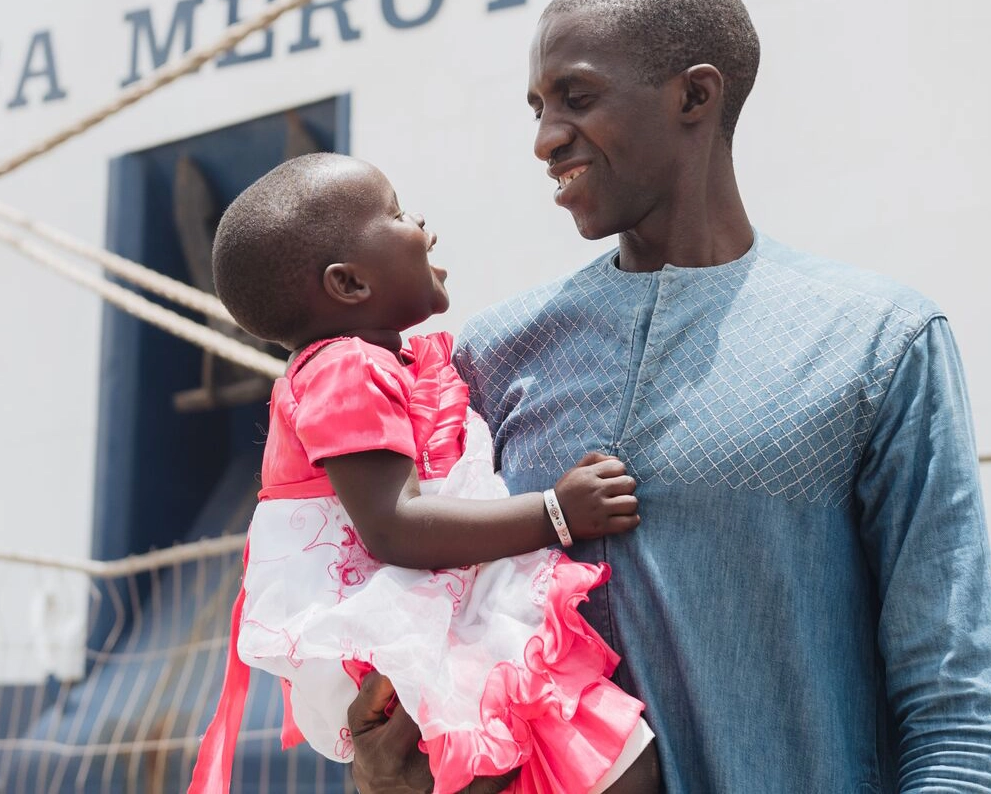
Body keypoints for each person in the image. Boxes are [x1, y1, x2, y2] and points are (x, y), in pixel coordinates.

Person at [350, 0, 991, 792]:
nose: (545, 139)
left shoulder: (878, 341)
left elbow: (950, 705)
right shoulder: (494, 355)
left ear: (694, 97)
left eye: (575, 100)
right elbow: (429, 641)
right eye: (538, 110)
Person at [189, 153, 659, 794]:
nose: (423, 225)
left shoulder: (381, 364)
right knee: (612, 765)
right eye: (397, 213)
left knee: (598, 763)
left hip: (434, 621)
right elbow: (395, 525)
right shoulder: (346, 368)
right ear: (349, 285)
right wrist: (557, 512)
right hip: (410, 635)